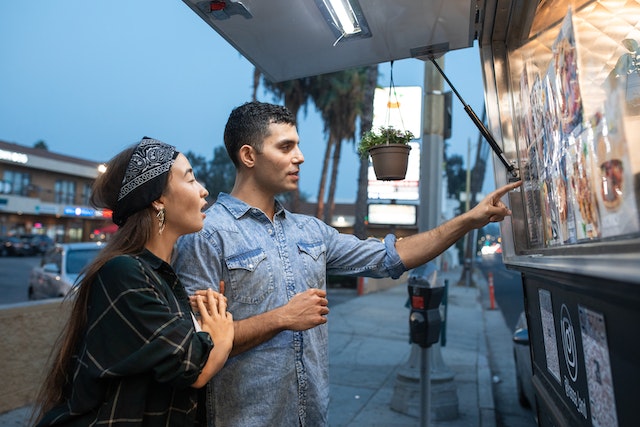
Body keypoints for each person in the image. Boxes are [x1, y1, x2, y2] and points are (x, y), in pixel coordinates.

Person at [173, 101, 521, 426]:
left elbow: (391, 256)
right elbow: (196, 347)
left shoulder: (308, 230)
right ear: (248, 155)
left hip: (314, 416)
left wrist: (468, 220)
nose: (300, 157)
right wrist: (282, 318)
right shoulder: (207, 234)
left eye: (298, 145)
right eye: (285, 147)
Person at [32, 137, 234, 426]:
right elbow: (192, 367)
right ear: (157, 198)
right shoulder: (123, 272)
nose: (204, 191)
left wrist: (201, 323)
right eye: (190, 180)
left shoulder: (161, 276)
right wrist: (221, 330)